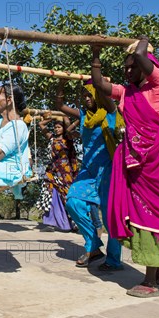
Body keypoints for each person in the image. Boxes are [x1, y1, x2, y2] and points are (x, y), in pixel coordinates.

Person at [91, 37, 159, 298]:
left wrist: (142, 41)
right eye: (125, 68)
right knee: (139, 221)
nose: (127, 72)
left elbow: (144, 56)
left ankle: (151, 281)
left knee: (154, 222)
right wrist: (96, 54)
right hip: (136, 170)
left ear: (145, 66)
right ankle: (156, 271)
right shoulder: (127, 92)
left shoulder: (158, 83)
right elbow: (99, 84)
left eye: (132, 67)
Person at [56, 75, 124, 271]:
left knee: (111, 216)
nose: (86, 98)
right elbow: (59, 104)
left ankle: (113, 260)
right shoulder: (84, 116)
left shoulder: (110, 112)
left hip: (108, 170)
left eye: (89, 95)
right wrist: (61, 82)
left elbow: (107, 97)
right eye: (83, 95)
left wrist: (97, 80)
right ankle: (93, 246)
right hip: (88, 169)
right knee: (73, 201)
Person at [38, 116, 78, 232]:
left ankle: (74, 223)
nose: (56, 129)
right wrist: (50, 117)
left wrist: (65, 116)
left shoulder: (68, 139)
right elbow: (41, 125)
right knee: (51, 195)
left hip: (65, 173)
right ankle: (50, 223)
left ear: (64, 128)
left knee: (68, 196)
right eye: (55, 127)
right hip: (52, 172)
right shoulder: (51, 139)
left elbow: (68, 124)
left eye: (59, 127)